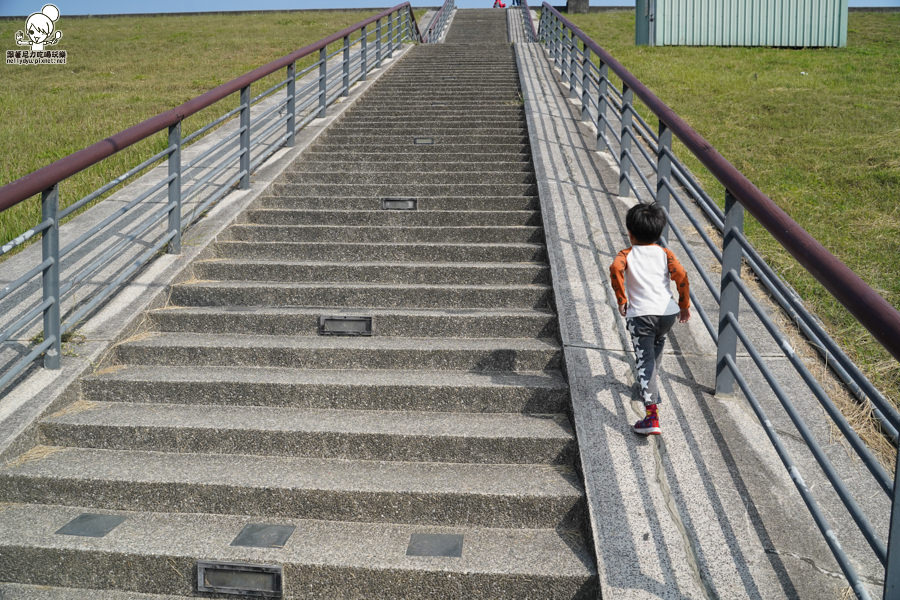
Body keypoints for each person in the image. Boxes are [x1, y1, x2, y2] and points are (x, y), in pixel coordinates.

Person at [609, 202, 690, 436]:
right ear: (659, 232)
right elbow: (681, 275)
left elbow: (615, 269)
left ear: (630, 233)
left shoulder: (626, 254)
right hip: (667, 313)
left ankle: (651, 416)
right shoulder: (665, 254)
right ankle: (649, 385)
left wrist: (622, 299)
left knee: (644, 359)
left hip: (641, 315)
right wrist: (684, 305)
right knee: (657, 344)